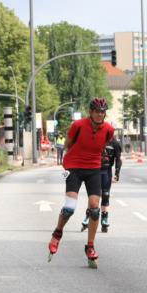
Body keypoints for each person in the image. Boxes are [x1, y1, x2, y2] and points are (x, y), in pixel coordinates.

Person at [48, 98, 115, 268]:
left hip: (94, 168)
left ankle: (90, 246)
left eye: (102, 112)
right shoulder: (78, 125)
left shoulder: (109, 129)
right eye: (97, 111)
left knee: (95, 209)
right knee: (69, 207)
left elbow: (103, 144)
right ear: (91, 112)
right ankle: (57, 233)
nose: (100, 114)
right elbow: (68, 144)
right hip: (74, 167)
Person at [84, 131, 122, 233]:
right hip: (94, 170)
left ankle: (104, 218)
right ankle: (88, 215)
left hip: (106, 171)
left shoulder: (115, 143)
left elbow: (118, 159)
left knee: (105, 194)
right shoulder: (94, 140)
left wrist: (117, 173)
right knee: (94, 195)